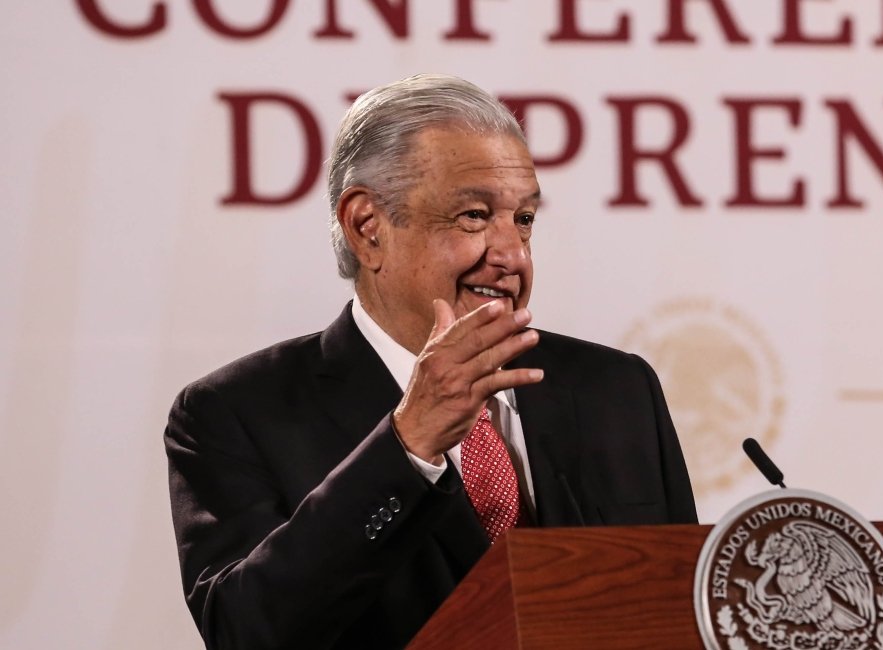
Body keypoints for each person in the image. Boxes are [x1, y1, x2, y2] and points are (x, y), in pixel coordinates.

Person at [165, 73, 698, 650]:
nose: (513, 256)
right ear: (368, 228)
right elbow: (246, 632)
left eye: (524, 219)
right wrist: (408, 443)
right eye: (473, 216)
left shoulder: (618, 390)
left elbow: (683, 610)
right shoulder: (234, 413)